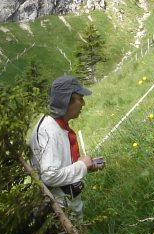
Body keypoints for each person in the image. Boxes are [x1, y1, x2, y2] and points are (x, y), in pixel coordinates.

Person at [28, 75, 104, 220]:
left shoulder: (56, 126)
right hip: (60, 211)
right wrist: (82, 166)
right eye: (80, 98)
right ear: (67, 101)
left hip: (67, 205)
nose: (83, 104)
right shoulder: (49, 131)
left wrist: (87, 166)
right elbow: (49, 175)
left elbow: (59, 166)